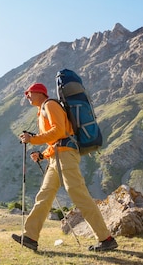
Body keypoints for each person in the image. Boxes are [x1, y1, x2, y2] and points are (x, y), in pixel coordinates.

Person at [12, 82, 118, 252]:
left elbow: (59, 131)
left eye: (29, 92)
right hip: (57, 157)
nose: (27, 96)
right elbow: (55, 141)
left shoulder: (50, 105)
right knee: (44, 196)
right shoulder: (42, 110)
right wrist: (42, 155)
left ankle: (106, 238)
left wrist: (32, 139)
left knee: (80, 197)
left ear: (39, 92)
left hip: (65, 157)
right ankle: (30, 237)